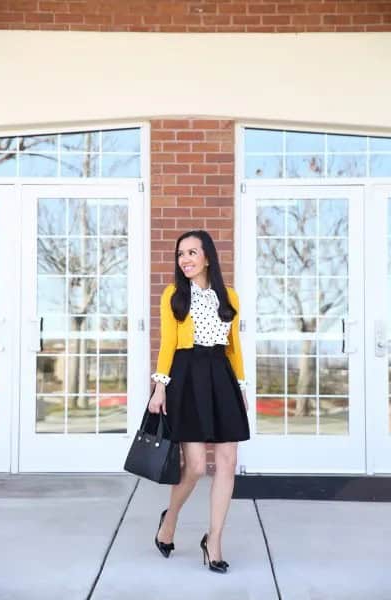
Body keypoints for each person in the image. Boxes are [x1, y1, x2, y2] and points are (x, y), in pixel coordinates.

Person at [148, 229, 250, 573]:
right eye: (180, 254)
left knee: (227, 462)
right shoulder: (174, 295)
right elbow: (167, 343)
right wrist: (160, 387)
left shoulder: (230, 295)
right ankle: (170, 518)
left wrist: (242, 387)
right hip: (187, 377)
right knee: (193, 467)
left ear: (208, 257)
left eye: (192, 252)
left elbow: (234, 347)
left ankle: (214, 540)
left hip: (221, 376)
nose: (185, 259)